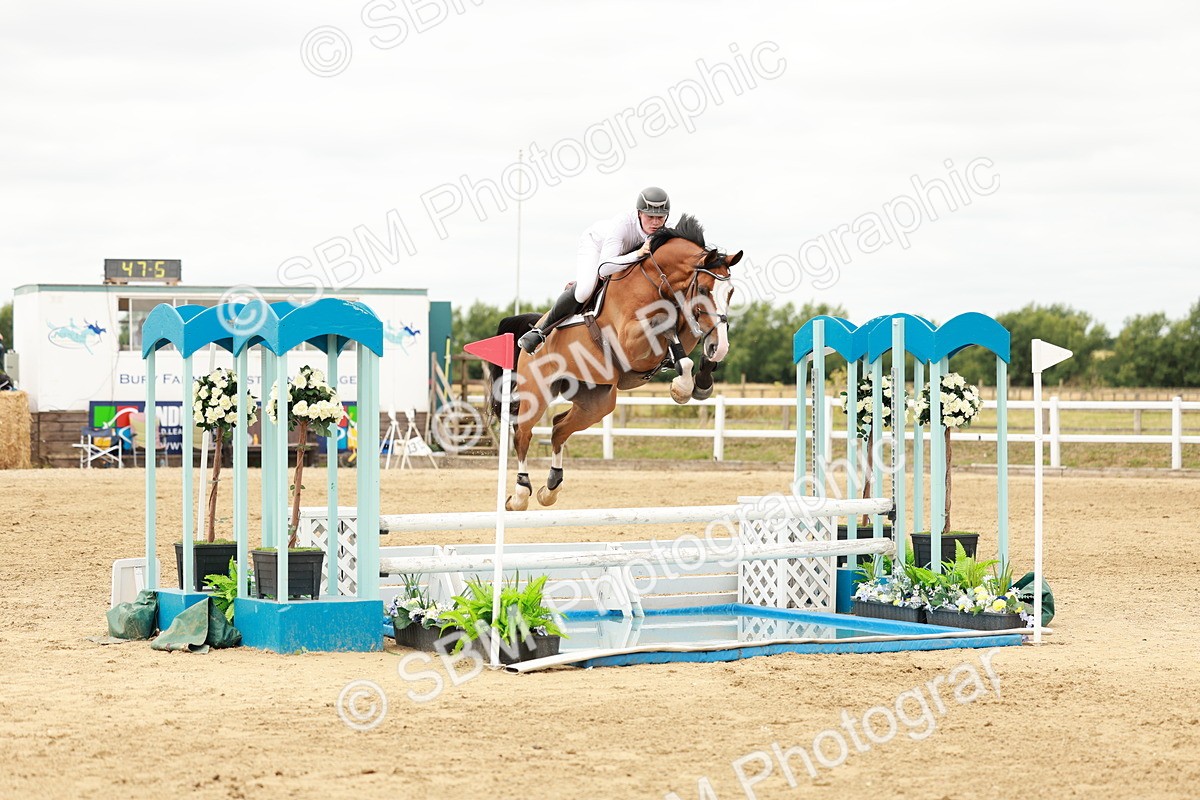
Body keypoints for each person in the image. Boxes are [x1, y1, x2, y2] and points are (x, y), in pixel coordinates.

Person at [517, 186, 671, 354]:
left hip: (622, 256)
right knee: (584, 291)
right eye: (650, 217)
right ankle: (540, 331)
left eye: (660, 217)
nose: (655, 222)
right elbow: (604, 268)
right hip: (596, 246)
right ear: (639, 213)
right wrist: (638, 254)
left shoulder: (669, 228)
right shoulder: (623, 224)